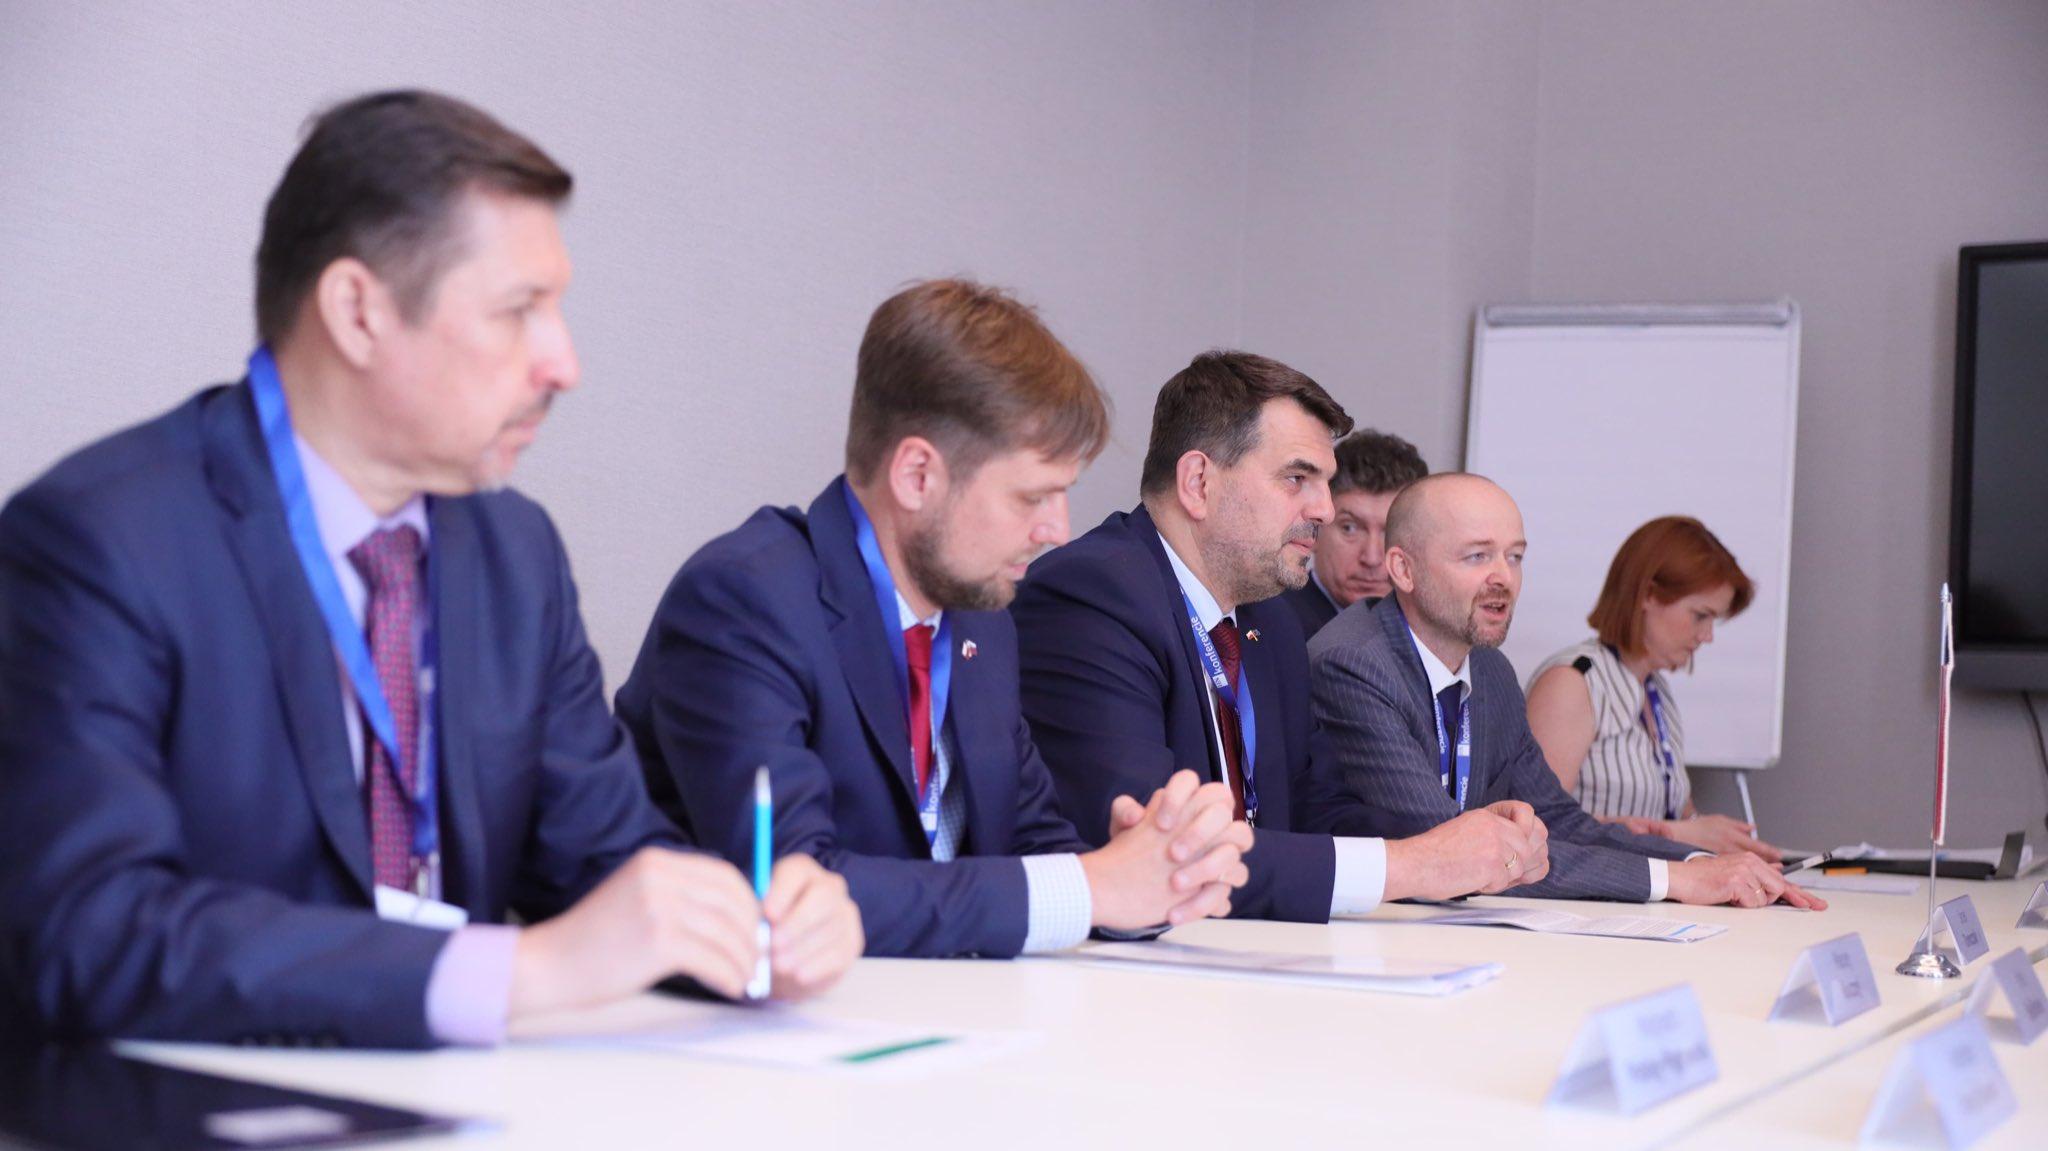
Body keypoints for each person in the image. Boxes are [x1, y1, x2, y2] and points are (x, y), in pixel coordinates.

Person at [0, 90, 862, 1050]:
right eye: (519, 311)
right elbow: (88, 928)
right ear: (358, 313)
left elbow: (605, 860)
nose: (564, 363)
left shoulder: (513, 552)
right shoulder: (101, 539)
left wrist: (750, 929)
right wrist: (523, 969)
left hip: (462, 1098)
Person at [616, 280, 1252, 959]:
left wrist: (1151, 877)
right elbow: (793, 890)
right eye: (1032, 497)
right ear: (918, 475)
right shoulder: (745, 599)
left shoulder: (982, 623)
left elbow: (1032, 844)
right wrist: (1091, 887)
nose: (1057, 531)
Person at [1012, 352, 1549, 924]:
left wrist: (1465, 843)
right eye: (1297, 478)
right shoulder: (1092, 595)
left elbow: (1316, 807)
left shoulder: (1269, 623)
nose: (1324, 509)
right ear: (1198, 483)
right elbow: (1154, 849)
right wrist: (1415, 865)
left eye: (1325, 483)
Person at [1305, 474, 1824, 909]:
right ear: (1403, 569)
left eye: (1514, 557)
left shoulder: (1490, 669)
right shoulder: (1354, 664)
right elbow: (1449, 849)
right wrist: (1676, 881)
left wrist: (1702, 862)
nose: (1503, 578)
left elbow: (1557, 817)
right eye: (1477, 556)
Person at [1525, 516, 1784, 860]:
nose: (1707, 636)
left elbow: (1677, 815)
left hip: (1650, 887)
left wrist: (1719, 842)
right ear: (1647, 595)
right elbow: (1537, 827)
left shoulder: (1656, 690)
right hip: (1588, 893)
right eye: (1700, 615)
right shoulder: (1572, 683)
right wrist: (1678, 835)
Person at [1278, 429, 1428, 638]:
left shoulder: (1428, 631)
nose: (1372, 558)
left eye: (1390, 532)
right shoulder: (1275, 626)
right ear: (1315, 528)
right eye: (1350, 528)